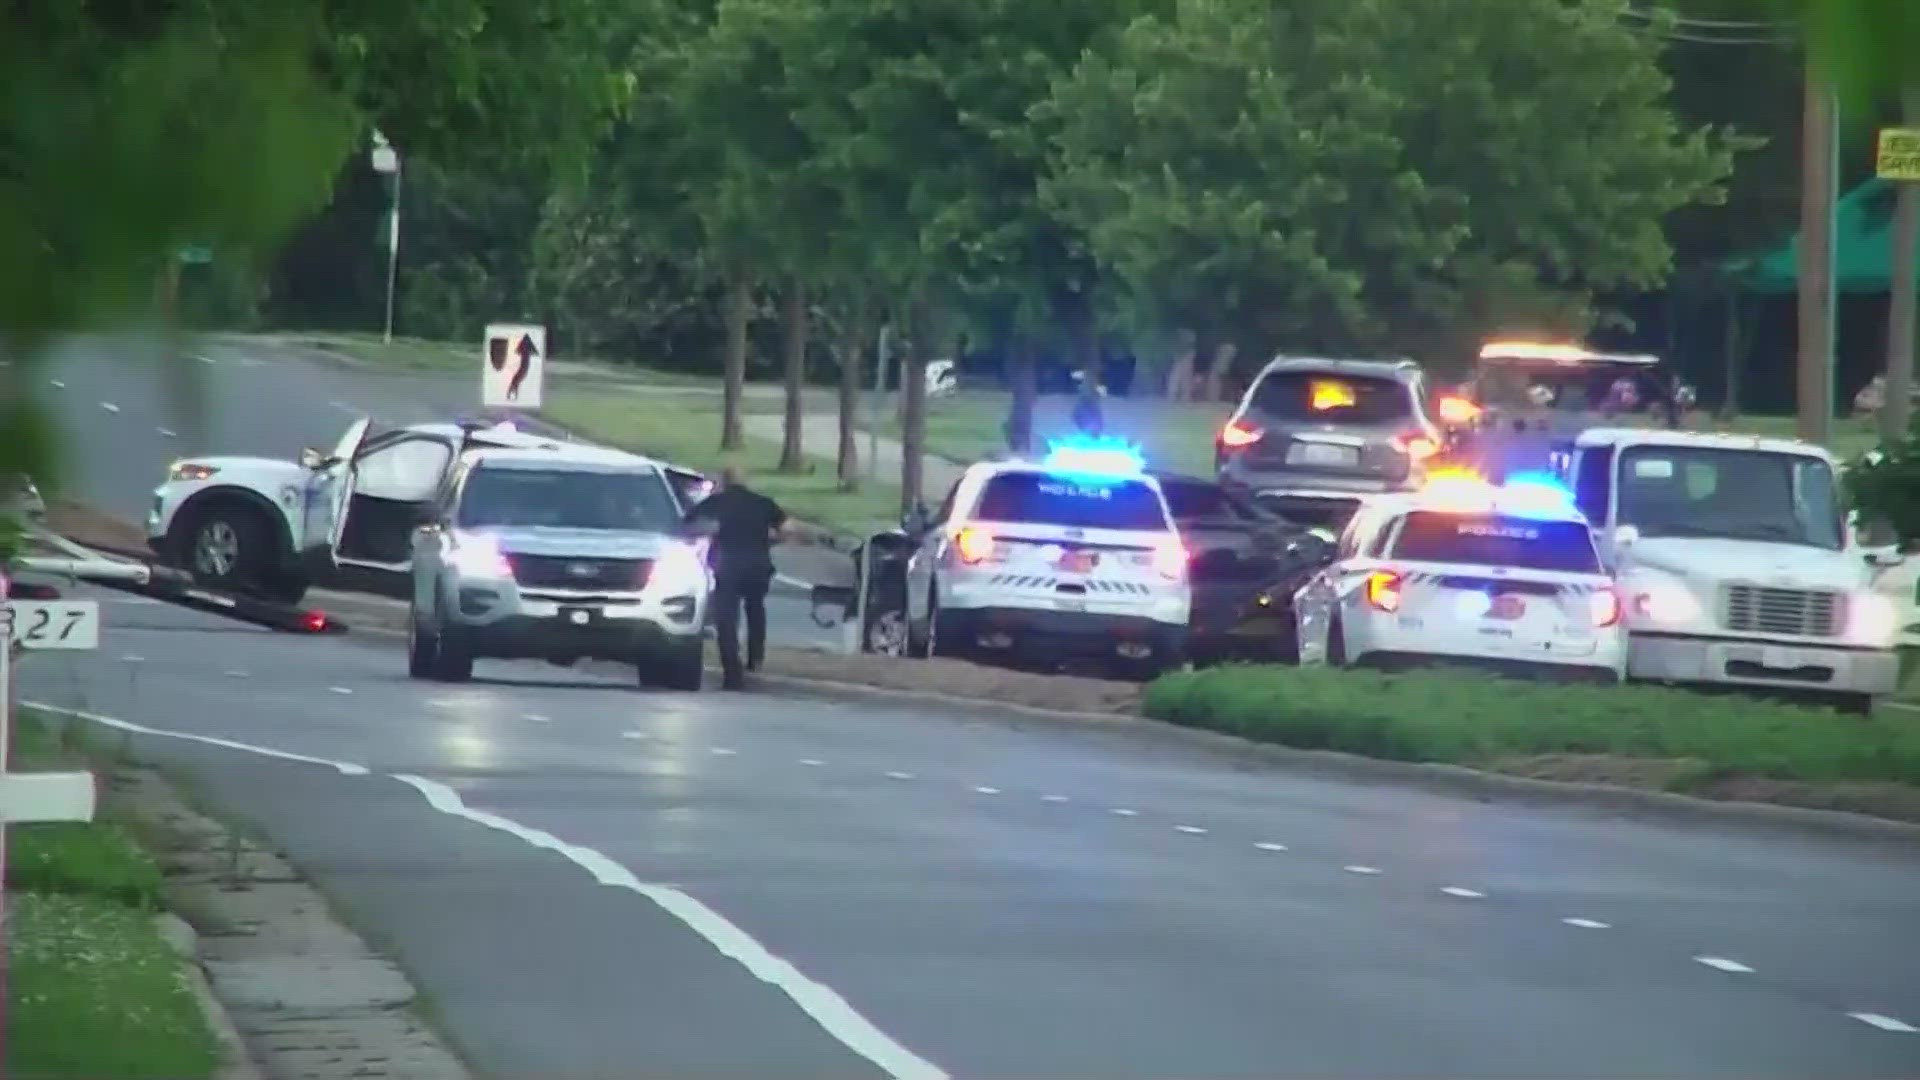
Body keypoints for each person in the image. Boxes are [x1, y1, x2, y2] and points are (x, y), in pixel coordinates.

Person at [684, 466, 788, 690]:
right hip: (758, 565)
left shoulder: (716, 503)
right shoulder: (763, 503)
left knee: (727, 619)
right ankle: (755, 658)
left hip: (728, 565)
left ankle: (733, 670)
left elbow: (689, 524)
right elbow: (786, 528)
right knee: (755, 609)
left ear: (724, 482)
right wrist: (771, 542)